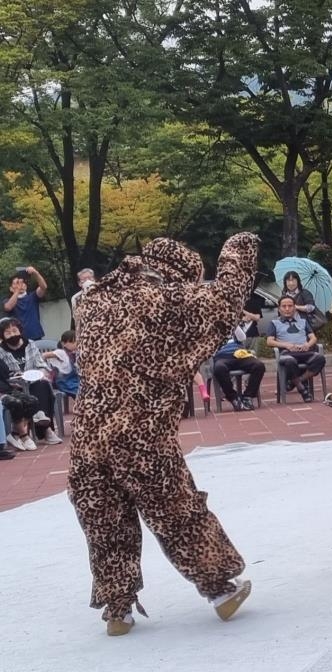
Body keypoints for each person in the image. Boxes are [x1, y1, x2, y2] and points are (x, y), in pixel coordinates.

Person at [68, 233, 259, 636]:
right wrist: (238, 249)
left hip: (87, 434)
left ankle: (118, 612)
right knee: (178, 514)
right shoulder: (174, 302)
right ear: (182, 274)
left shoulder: (91, 301)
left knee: (104, 522)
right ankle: (221, 592)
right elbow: (228, 299)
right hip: (141, 435)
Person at [0, 317, 61, 445]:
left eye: (14, 331)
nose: (12, 335)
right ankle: (46, 430)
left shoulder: (30, 344)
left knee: (43, 384)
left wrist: (42, 373)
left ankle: (42, 421)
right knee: (25, 394)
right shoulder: (1, 350)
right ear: (2, 336)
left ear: (20, 331)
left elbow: (40, 364)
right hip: (16, 386)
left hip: (34, 381)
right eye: (8, 333)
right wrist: (17, 379)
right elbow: (5, 375)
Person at [266, 295, 326, 402]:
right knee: (289, 361)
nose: (287, 309)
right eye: (284, 306)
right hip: (287, 353)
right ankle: (303, 390)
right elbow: (269, 341)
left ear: (295, 307)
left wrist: (307, 345)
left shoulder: (302, 321)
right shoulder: (274, 323)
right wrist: (286, 345)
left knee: (320, 359)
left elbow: (313, 338)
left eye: (290, 306)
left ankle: (295, 382)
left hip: (304, 351)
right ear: (279, 308)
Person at [211, 325, 265, 412]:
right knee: (219, 368)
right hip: (222, 357)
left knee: (259, 365)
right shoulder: (210, 329)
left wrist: (233, 323)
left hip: (240, 354)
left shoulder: (233, 327)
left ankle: (248, 396)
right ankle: (233, 397)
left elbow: (242, 338)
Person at [4, 266, 47, 340]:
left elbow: (43, 287)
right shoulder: (7, 300)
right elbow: (8, 307)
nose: (20, 285)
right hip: (18, 338)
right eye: (16, 283)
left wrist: (35, 273)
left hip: (35, 335)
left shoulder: (32, 296)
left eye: (22, 282)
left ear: (26, 286)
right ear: (11, 288)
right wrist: (17, 290)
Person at [42, 329, 80, 398]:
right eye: (73, 342)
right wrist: (44, 367)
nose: (76, 344)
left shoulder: (75, 353)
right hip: (64, 383)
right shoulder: (61, 352)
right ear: (63, 343)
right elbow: (43, 355)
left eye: (77, 342)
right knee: (80, 391)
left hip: (74, 380)